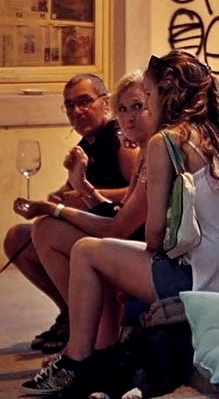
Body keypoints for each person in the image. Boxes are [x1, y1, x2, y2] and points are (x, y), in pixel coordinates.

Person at [23, 51, 219, 395]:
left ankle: (75, 362)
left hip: (197, 281)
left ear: (166, 94)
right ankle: (94, 355)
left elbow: (154, 234)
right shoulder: (216, 137)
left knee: (86, 252)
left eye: (147, 95)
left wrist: (59, 211)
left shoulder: (165, 141)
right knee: (103, 253)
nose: (143, 104)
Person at [11, 72, 153, 350]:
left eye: (85, 101)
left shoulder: (124, 143)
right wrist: (63, 196)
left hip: (130, 239)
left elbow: (136, 200)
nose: (77, 111)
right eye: (70, 105)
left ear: (105, 102)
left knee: (48, 231)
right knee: (18, 239)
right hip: (107, 226)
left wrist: (68, 202)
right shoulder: (84, 146)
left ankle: (89, 333)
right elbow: (79, 195)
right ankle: (71, 315)